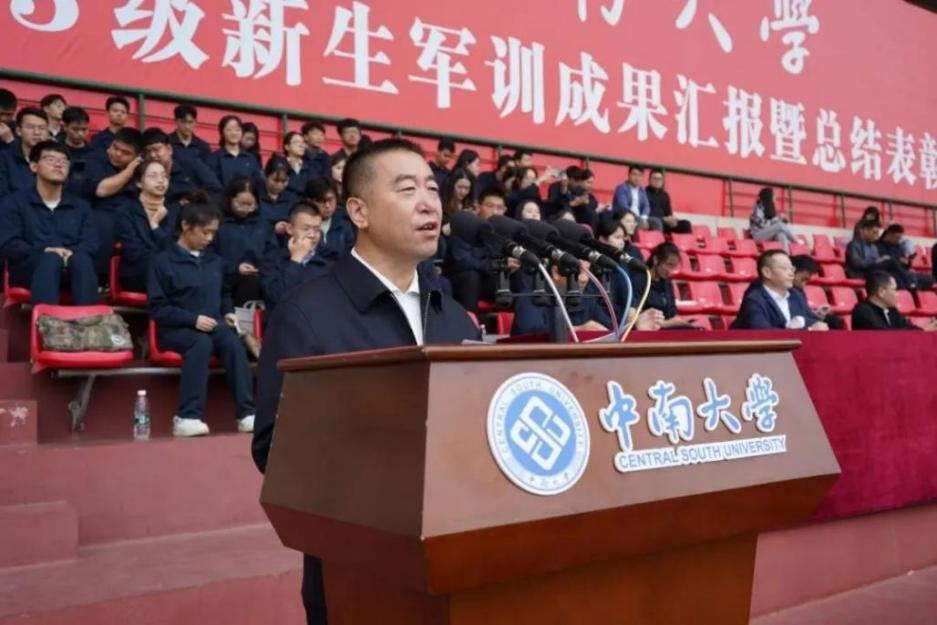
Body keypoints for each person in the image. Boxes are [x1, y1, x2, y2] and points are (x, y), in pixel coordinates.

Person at [252, 138, 479, 624]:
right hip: (356, 578)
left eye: (432, 189)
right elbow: (276, 450)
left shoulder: (456, 319)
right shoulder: (307, 315)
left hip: (460, 572)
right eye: (407, 189)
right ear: (358, 211)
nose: (429, 203)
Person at [148, 200, 255, 437]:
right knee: (200, 343)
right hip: (175, 330)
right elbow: (158, 308)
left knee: (233, 343)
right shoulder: (162, 262)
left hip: (213, 324)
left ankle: (247, 413)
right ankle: (187, 417)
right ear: (186, 226)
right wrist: (192, 319)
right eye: (204, 232)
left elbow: (224, 293)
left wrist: (228, 311)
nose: (209, 238)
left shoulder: (213, 261)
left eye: (213, 233)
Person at [0, 140, 98, 305]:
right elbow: (9, 244)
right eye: (51, 159)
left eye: (64, 162)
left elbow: (91, 243)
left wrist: (68, 253)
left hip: (71, 268)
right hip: (29, 268)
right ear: (34, 166)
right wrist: (46, 251)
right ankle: (47, 319)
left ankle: (87, 319)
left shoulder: (81, 206)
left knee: (81, 260)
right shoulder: (15, 203)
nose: (58, 165)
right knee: (50, 259)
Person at [444, 187, 517, 312]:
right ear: (478, 207)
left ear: (505, 210)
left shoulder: (504, 233)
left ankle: (525, 322)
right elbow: (463, 262)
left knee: (521, 277)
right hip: (463, 280)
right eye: (490, 206)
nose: (495, 212)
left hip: (490, 280)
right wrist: (497, 265)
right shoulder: (465, 227)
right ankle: (470, 321)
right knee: (472, 277)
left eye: (499, 208)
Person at [115, 159, 178, 292]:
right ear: (139, 183)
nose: (160, 180)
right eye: (153, 176)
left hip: (170, 269)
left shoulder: (175, 209)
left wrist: (155, 226)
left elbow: (174, 247)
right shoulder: (126, 211)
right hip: (138, 271)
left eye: (164, 176)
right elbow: (133, 252)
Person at [259, 200, 331, 311]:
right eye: (305, 229)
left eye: (317, 229)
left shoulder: (326, 266)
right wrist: (296, 260)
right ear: (290, 229)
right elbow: (278, 297)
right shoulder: (271, 260)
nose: (312, 235)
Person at [731, 250, 829, 330]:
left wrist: (801, 320)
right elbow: (765, 335)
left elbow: (814, 321)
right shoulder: (754, 300)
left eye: (792, 269)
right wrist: (808, 330)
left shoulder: (795, 295)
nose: (791, 274)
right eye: (785, 269)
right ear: (767, 272)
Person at [212, 177, 271, 306]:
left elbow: (272, 251)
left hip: (259, 274)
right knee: (248, 282)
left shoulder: (262, 224)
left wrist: (261, 268)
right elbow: (209, 254)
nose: (245, 209)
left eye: (250, 205)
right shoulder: (218, 223)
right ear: (230, 199)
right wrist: (234, 267)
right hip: (226, 275)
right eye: (240, 204)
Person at [142, 128, 221, 206]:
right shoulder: (145, 175)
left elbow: (216, 190)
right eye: (147, 152)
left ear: (169, 149)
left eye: (156, 149)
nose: (152, 155)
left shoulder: (191, 164)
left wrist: (195, 204)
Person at [631, 243, 698, 329]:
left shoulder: (667, 283)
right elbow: (636, 316)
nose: (671, 270)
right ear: (656, 260)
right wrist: (665, 323)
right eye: (668, 265)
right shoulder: (639, 280)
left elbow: (672, 311)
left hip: (667, 328)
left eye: (674, 266)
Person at [852, 271, 936, 331]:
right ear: (881, 292)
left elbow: (906, 327)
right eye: (894, 290)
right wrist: (922, 332)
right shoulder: (863, 311)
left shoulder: (891, 310)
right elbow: (885, 335)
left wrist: (923, 331)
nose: (897, 294)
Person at [845, 219, 916, 290]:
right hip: (861, 273)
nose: (876, 235)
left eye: (877, 233)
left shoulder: (873, 246)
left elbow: (876, 262)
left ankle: (906, 289)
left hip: (872, 271)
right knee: (891, 262)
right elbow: (856, 263)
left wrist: (881, 260)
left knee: (893, 273)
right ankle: (909, 282)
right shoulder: (854, 245)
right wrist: (876, 261)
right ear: (865, 231)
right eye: (874, 232)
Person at [0, 107, 49, 195]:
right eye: (31, 127)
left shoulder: (56, 160)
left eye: (42, 128)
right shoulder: (4, 159)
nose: (37, 132)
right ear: (18, 131)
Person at [791, 255, 845, 330]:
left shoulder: (799, 291)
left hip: (806, 321)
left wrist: (818, 313)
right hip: (798, 327)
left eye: (807, 281)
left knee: (835, 321)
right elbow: (796, 317)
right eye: (802, 279)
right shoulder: (787, 292)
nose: (804, 284)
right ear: (792, 271)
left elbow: (805, 312)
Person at [305, 177, 354, 259]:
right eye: (322, 201)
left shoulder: (344, 222)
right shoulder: (301, 224)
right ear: (310, 201)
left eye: (330, 200)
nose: (327, 205)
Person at [211, 115, 262, 186]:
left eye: (237, 130)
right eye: (229, 130)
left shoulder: (250, 159)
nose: (234, 133)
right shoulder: (214, 158)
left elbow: (259, 183)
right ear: (222, 132)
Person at [877, 224, 933, 289]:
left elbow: (904, 264)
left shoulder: (897, 246)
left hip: (905, 273)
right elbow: (886, 262)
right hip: (891, 274)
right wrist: (899, 260)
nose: (898, 240)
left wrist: (908, 262)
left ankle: (914, 286)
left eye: (899, 238)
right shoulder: (878, 246)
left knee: (931, 279)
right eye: (897, 237)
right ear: (889, 234)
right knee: (905, 280)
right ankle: (912, 285)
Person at [613, 165, 660, 230]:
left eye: (639, 175)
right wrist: (637, 217)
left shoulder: (642, 190)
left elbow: (646, 206)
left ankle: (657, 237)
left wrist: (644, 217)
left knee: (656, 221)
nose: (637, 178)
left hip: (639, 217)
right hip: (624, 216)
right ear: (629, 175)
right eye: (634, 174)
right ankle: (637, 237)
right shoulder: (622, 188)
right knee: (638, 221)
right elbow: (623, 207)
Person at [258, 156, 295, 237]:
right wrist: (272, 229)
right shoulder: (255, 195)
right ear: (265, 175)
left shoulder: (291, 198)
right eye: (275, 180)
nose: (279, 185)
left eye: (284, 181)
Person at [646, 169, 692, 234]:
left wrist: (672, 219)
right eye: (655, 179)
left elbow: (669, 213)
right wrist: (663, 218)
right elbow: (646, 213)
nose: (657, 181)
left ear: (662, 181)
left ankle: (682, 241)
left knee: (686, 224)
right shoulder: (644, 193)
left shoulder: (665, 195)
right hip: (653, 221)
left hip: (665, 223)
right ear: (649, 180)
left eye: (660, 179)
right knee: (657, 222)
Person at [282, 131, 311, 195]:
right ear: (287, 147)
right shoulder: (280, 165)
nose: (301, 145)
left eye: (303, 142)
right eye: (296, 142)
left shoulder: (310, 167)